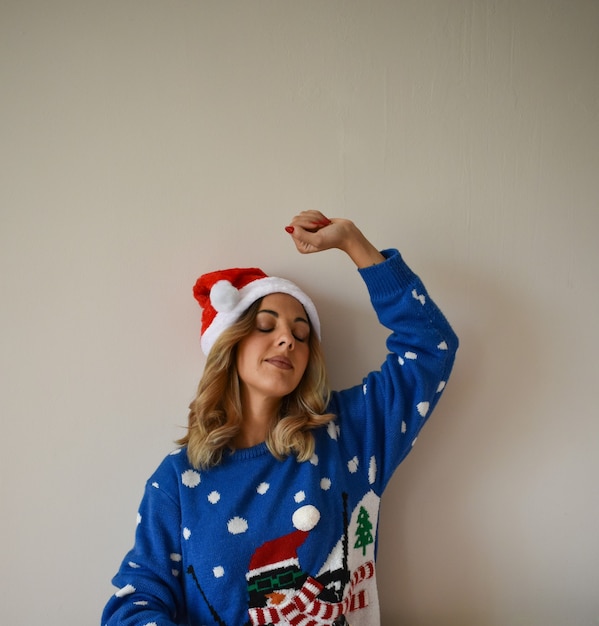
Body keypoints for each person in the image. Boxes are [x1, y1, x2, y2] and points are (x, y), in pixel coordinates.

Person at [101, 210, 459, 626]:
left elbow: (432, 348)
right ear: (230, 345)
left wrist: (353, 243)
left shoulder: (348, 434)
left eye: (301, 334)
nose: (287, 339)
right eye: (265, 327)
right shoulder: (177, 482)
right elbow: (135, 601)